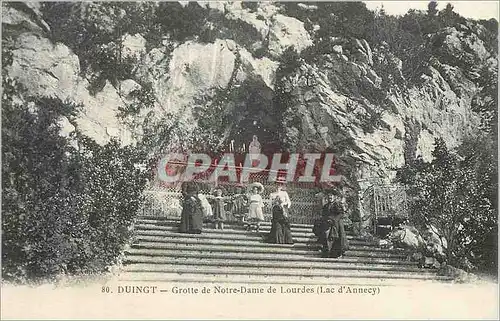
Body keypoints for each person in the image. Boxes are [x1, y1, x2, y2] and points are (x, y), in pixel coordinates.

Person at [313, 191, 349, 258]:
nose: (330, 197)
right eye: (329, 196)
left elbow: (341, 214)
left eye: (332, 196)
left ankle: (337, 253)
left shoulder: (337, 204)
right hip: (328, 223)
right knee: (325, 235)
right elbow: (324, 214)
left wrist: (333, 220)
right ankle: (326, 251)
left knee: (338, 238)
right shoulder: (326, 206)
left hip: (336, 223)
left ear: (334, 197)